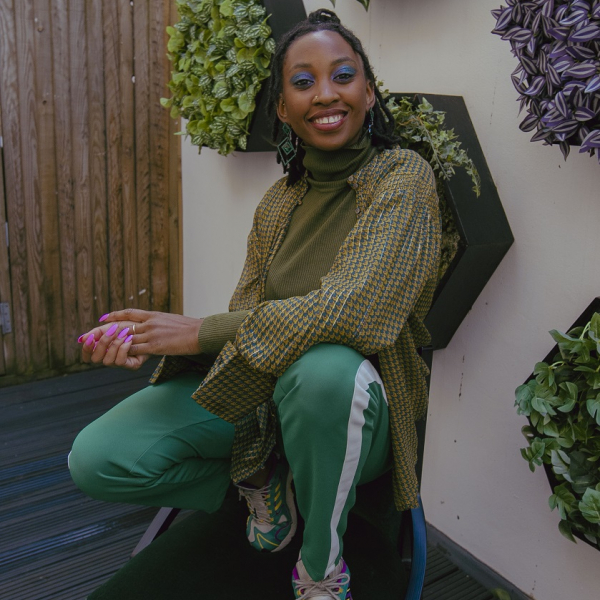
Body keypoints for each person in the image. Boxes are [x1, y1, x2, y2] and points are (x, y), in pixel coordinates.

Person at [68, 9, 441, 600]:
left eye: (342, 75)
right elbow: (250, 318)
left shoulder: (402, 177)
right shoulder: (277, 202)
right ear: (284, 110)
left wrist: (197, 332)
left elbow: (356, 312)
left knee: (323, 369)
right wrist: (158, 347)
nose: (325, 94)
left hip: (352, 410)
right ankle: (266, 480)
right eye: (302, 82)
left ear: (368, 93)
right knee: (98, 458)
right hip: (264, 398)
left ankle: (321, 566)